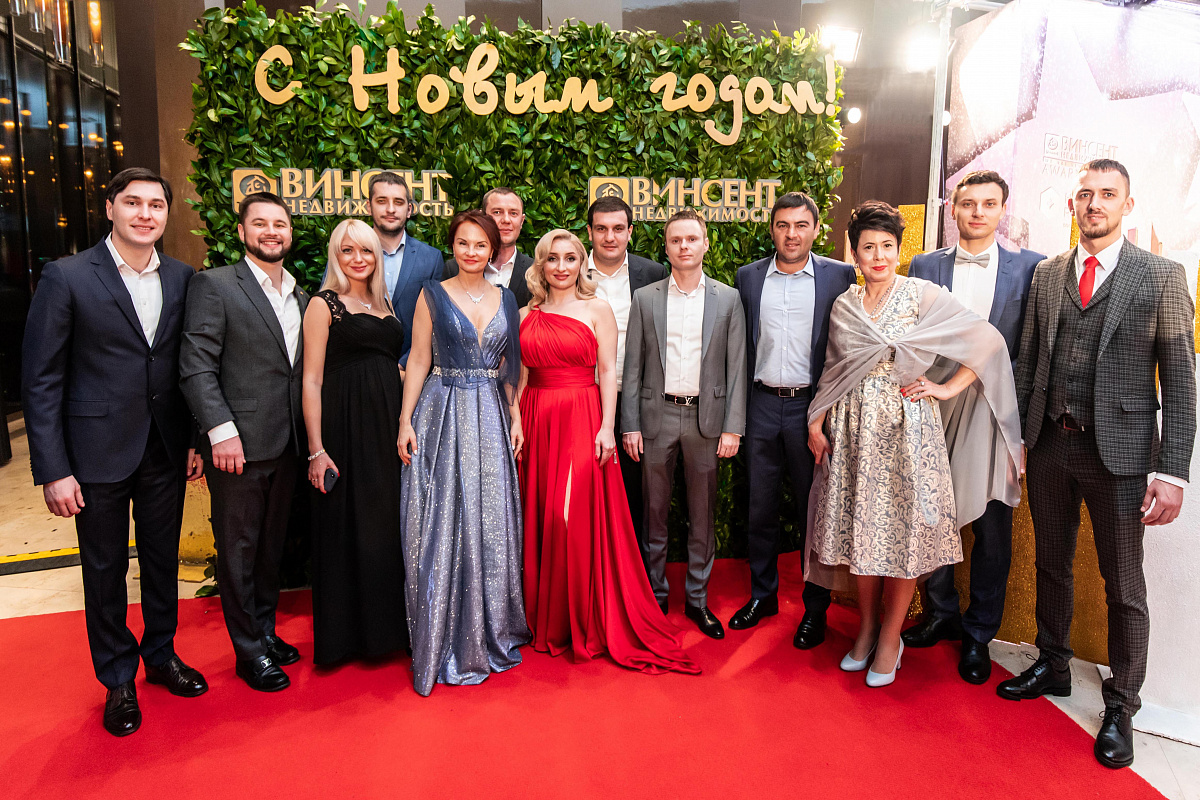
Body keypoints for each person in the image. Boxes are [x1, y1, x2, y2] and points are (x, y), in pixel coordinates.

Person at [998, 159, 1196, 770]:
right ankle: (1053, 664)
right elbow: (1029, 361)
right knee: (1050, 563)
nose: (1095, 204)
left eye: (1108, 194)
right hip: (1050, 445)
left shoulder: (1162, 276)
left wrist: (1172, 472)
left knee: (1124, 585)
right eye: (1085, 194)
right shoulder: (1048, 273)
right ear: (1073, 204)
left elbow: (1181, 380)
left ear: (1127, 205)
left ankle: (1122, 704)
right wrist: (1019, 438)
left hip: (1124, 457)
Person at [21, 168, 207, 736]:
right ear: (110, 208)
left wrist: (194, 439)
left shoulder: (182, 277)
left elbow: (185, 368)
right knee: (103, 568)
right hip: (94, 451)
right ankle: (117, 678)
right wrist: (53, 469)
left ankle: (161, 655)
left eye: (156, 205)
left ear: (167, 214)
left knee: (161, 559)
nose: (145, 214)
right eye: (133, 203)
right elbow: (41, 380)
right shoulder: (68, 276)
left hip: (164, 447)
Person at [807, 201, 1021, 688]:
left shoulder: (921, 293)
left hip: (907, 433)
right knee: (860, 535)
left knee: (902, 537)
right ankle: (866, 630)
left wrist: (946, 388)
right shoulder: (844, 304)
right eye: (868, 248)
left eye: (887, 246)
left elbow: (987, 342)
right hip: (854, 433)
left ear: (899, 250)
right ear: (854, 254)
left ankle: (890, 639)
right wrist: (816, 422)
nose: (878, 256)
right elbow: (834, 370)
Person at [518, 228, 700, 675]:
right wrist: (515, 419)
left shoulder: (597, 308)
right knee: (541, 515)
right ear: (540, 265)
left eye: (570, 258)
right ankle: (550, 616)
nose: (561, 266)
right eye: (552, 258)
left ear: (582, 264)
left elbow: (607, 372)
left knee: (571, 517)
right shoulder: (524, 313)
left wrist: (605, 427)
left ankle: (582, 614)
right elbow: (520, 376)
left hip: (582, 415)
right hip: (536, 417)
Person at [904, 170, 1044, 684]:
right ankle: (940, 611)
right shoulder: (924, 264)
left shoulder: (1031, 267)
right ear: (953, 209)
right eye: (968, 203)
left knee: (992, 525)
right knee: (931, 513)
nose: (978, 212)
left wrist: (1022, 433)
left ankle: (980, 633)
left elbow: (1030, 352)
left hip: (994, 409)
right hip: (931, 402)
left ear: (1003, 210)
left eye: (988, 204)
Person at [180, 191, 308, 692]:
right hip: (237, 446)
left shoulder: (300, 296)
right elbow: (196, 366)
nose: (271, 232)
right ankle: (248, 652)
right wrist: (220, 431)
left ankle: (265, 632)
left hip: (288, 443)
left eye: (280, 224)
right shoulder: (214, 285)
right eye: (260, 223)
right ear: (241, 231)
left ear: (290, 232)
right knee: (237, 549)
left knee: (271, 548)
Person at [397, 209, 528, 696]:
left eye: (480, 244)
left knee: (490, 518)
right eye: (463, 243)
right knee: (442, 518)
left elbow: (512, 365)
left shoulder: (507, 297)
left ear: (493, 249)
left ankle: (490, 626)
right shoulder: (431, 294)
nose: (471, 252)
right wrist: (405, 420)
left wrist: (516, 416)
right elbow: (418, 359)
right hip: (442, 410)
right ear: (452, 246)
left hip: (491, 413)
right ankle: (444, 631)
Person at [729, 192, 857, 648]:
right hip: (761, 404)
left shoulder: (839, 276)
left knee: (813, 509)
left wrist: (827, 412)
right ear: (772, 230)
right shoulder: (748, 277)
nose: (791, 234)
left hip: (813, 408)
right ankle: (762, 597)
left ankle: (815, 609)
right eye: (783, 225)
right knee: (759, 507)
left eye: (801, 225)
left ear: (816, 230)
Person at [621, 209, 747, 639]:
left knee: (702, 516)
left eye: (692, 238)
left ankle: (697, 600)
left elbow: (736, 368)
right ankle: (655, 597)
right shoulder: (646, 298)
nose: (684, 246)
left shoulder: (728, 299)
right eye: (676, 240)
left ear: (706, 243)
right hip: (655, 419)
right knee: (653, 515)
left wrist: (733, 427)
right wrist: (630, 424)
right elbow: (633, 367)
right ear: (667, 247)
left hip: (706, 421)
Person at [301, 219, 407, 666]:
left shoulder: (385, 304)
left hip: (387, 427)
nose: (358, 258)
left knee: (385, 527)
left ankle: (387, 635)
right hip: (345, 427)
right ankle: (346, 640)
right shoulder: (323, 304)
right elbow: (311, 380)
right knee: (347, 526)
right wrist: (317, 449)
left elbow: (391, 364)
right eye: (347, 251)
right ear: (336, 256)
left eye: (365, 250)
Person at [586, 196, 668, 571]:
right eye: (601, 229)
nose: (610, 237)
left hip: (634, 401)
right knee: (588, 492)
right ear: (589, 232)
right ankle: (591, 571)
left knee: (635, 494)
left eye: (618, 229)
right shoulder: (570, 269)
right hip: (584, 398)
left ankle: (630, 576)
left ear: (630, 232)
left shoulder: (651, 273)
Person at [364, 171, 446, 367]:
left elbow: (438, 321)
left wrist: (404, 365)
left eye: (398, 202)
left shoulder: (431, 258)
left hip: (411, 371)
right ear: (368, 206)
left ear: (409, 210)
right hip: (360, 368)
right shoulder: (349, 255)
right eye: (382, 201)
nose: (391, 209)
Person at [445, 187, 533, 306]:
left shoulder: (535, 270)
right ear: (483, 217)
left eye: (513, 213)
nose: (506, 220)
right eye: (497, 212)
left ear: (521, 221)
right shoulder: (453, 268)